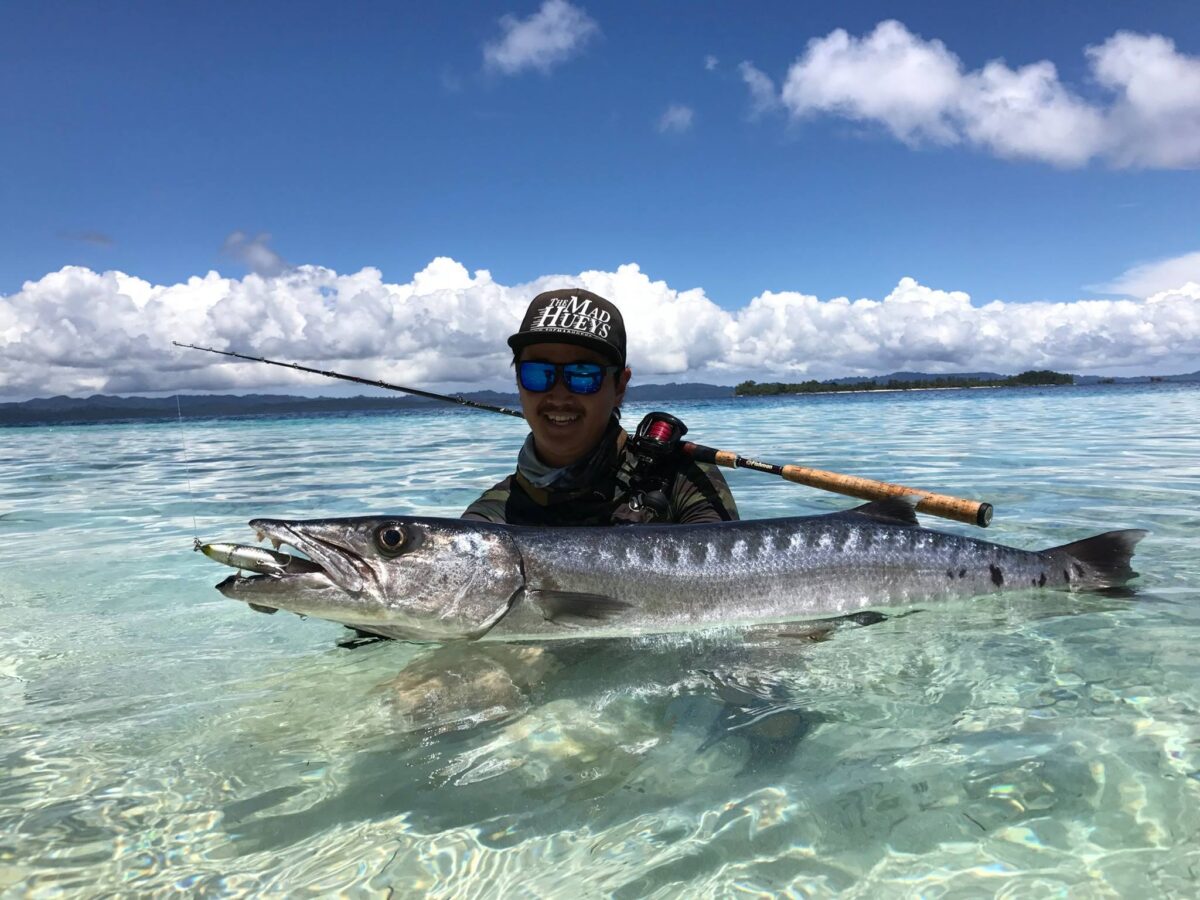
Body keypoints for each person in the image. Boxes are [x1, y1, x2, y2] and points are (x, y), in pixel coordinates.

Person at [462, 288, 739, 526]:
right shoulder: (487, 522)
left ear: (620, 386)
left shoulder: (683, 480)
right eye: (537, 372)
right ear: (518, 381)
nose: (558, 394)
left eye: (583, 375)